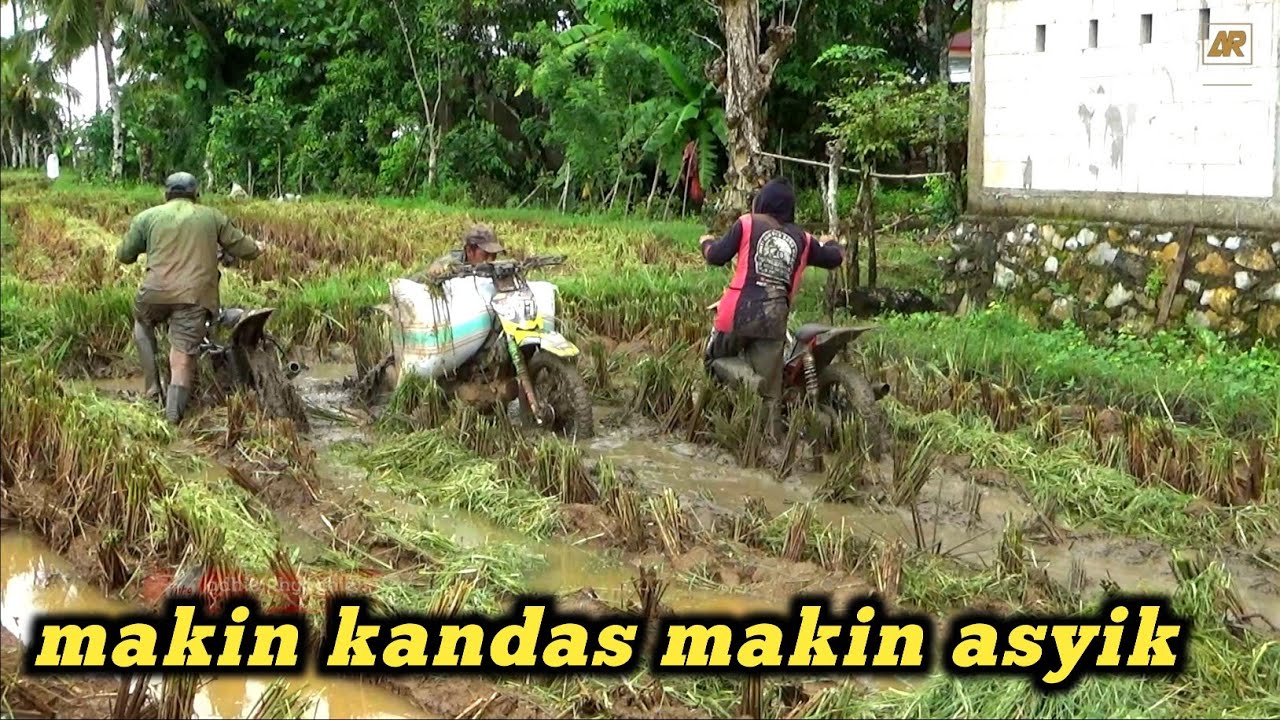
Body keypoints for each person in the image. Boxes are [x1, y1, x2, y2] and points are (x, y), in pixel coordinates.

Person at [116, 171, 265, 424]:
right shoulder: (212, 216)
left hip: (153, 294)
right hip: (194, 298)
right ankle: (172, 420)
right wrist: (259, 247)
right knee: (182, 357)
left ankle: (152, 390)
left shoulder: (147, 217)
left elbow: (124, 255)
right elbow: (245, 249)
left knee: (142, 323)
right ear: (196, 195)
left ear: (166, 194)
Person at [700, 177, 844, 436]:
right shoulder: (804, 239)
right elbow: (835, 258)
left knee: (714, 359)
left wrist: (706, 241)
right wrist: (831, 242)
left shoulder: (747, 223)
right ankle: (773, 447)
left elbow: (715, 256)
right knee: (771, 397)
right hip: (774, 319)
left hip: (737, 311)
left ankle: (749, 381)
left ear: (762, 202)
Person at [421, 223, 506, 282]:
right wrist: (436, 270)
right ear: (469, 251)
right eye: (486, 254)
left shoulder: (496, 266)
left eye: (494, 254)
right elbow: (434, 269)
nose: (490, 259)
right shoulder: (452, 263)